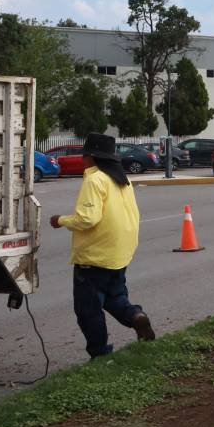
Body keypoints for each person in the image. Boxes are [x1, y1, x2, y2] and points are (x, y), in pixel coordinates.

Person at [50, 133, 155, 358]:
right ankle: (135, 316)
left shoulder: (95, 179)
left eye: (84, 155)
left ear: (92, 157)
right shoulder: (121, 179)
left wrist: (60, 220)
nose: (82, 159)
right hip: (120, 252)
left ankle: (100, 353)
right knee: (113, 296)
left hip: (95, 256)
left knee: (88, 308)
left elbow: (88, 218)